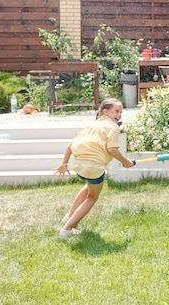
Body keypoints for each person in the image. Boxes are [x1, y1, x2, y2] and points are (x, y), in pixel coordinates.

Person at [54, 98, 134, 238]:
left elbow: (70, 144)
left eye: (121, 112)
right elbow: (112, 150)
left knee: (88, 186)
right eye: (116, 111)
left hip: (79, 166)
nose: (119, 115)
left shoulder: (91, 126)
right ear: (105, 112)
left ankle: (69, 217)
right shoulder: (112, 127)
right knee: (92, 198)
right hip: (94, 167)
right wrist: (125, 161)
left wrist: (64, 163)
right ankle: (66, 229)